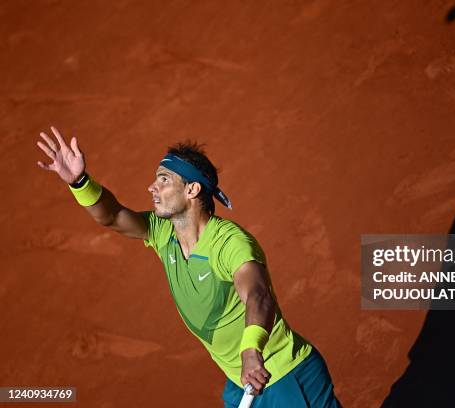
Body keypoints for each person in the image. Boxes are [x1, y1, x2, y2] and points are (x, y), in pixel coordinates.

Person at [36, 126, 341, 408]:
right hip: (241, 381)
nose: (151, 187)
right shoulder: (162, 232)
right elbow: (112, 216)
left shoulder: (230, 243)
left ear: (192, 190)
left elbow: (258, 295)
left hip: (284, 374)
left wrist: (251, 350)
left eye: (164, 179)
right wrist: (79, 181)